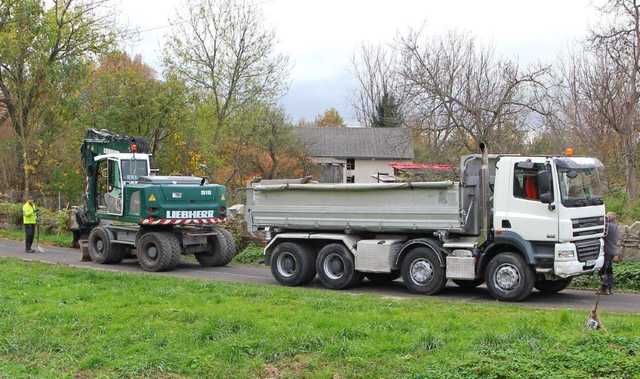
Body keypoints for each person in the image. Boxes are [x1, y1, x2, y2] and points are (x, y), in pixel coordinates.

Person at [599, 212, 620, 295]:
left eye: (607, 216)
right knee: (609, 270)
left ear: (610, 218)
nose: (605, 217)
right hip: (613, 251)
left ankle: (604, 288)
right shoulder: (616, 227)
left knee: (602, 270)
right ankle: (610, 288)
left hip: (606, 251)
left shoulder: (607, 226)